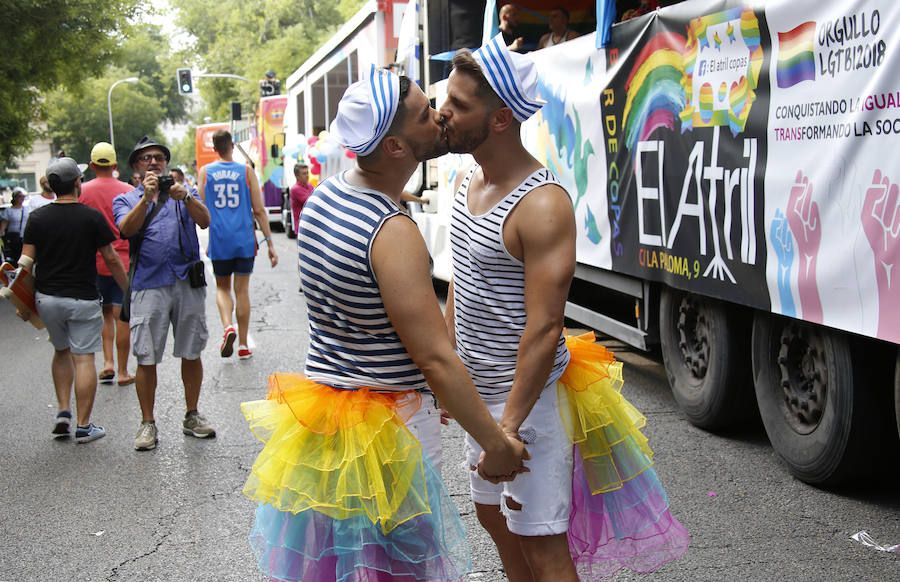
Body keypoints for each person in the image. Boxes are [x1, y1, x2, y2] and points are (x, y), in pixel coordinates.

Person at [241, 66, 529, 582]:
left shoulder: (327, 198)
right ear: (395, 147)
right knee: (401, 567)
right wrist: (495, 442)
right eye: (425, 115)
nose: (440, 117)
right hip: (389, 427)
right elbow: (435, 357)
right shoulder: (390, 230)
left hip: (328, 416)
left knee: (351, 567)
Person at [438, 35, 689, 581]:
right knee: (494, 520)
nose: (443, 114)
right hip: (479, 399)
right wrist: (449, 377)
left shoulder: (543, 203)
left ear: (501, 118)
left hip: (526, 407)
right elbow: (463, 282)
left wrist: (508, 428)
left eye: (458, 105)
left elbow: (545, 326)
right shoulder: (464, 181)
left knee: (543, 545)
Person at [113, 136, 214, 451]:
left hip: (186, 281)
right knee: (146, 356)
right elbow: (126, 229)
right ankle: (148, 423)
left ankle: (192, 414)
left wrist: (185, 197)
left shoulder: (183, 193)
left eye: (159, 157)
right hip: (148, 283)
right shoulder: (128, 199)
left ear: (167, 163)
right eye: (146, 158)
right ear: (136, 168)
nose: (154, 162)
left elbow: (205, 220)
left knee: (192, 350)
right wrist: (147, 198)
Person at [19, 157, 128, 443]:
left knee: (60, 350)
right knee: (83, 359)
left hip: (48, 299)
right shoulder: (91, 217)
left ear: (51, 186)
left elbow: (25, 262)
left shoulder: (37, 218)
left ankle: (63, 411)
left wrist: (21, 301)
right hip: (82, 297)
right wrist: (127, 290)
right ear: (77, 183)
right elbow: (110, 258)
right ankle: (83, 425)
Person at [198, 129, 278, 360]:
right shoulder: (246, 171)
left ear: (215, 148)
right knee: (242, 290)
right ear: (232, 145)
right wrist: (270, 243)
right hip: (244, 240)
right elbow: (260, 211)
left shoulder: (205, 172)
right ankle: (243, 344)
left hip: (220, 239)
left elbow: (201, 207)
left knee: (222, 288)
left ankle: (227, 327)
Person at [79, 142, 135, 387]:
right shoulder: (128, 189)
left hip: (93, 262)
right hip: (123, 260)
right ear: (114, 165)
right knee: (122, 315)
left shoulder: (82, 191)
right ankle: (123, 371)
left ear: (92, 166)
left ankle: (108, 363)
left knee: (104, 314)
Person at [0, 188, 29, 263]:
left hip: (25, 236)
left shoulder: (27, 209)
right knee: (16, 256)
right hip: (14, 238)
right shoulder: (9, 211)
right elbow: (4, 223)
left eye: (23, 196)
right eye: (19, 196)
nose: (22, 198)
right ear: (15, 198)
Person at [288, 161, 313, 237]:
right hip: (303, 229)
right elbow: (312, 202)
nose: (307, 175)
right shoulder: (295, 189)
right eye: (304, 173)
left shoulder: (310, 185)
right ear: (297, 176)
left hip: (311, 227)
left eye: (307, 173)